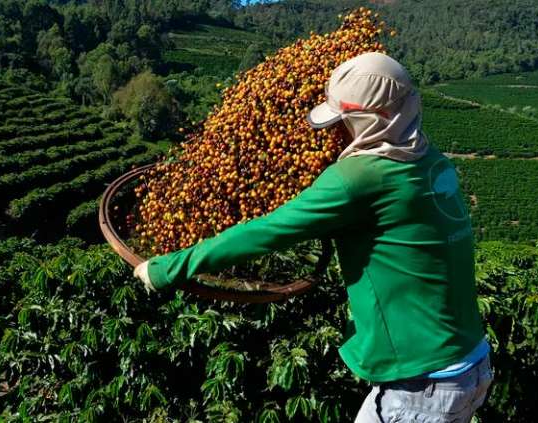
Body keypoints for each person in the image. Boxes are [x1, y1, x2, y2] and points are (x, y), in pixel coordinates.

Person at [133, 52, 494, 423]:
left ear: (371, 120)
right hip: (470, 362)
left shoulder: (357, 178)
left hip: (420, 385)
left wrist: (168, 269)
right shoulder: (431, 160)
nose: (339, 133)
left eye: (346, 121)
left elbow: (266, 231)